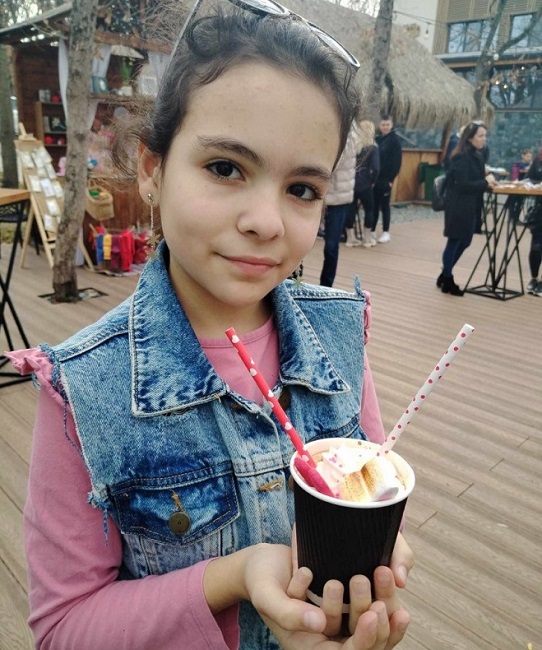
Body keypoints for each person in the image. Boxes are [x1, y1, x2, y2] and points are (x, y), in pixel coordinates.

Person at [9, 3, 414, 650]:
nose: (266, 222)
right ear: (153, 171)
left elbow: (369, 482)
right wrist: (233, 577)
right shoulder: (86, 389)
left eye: (302, 189)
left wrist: (373, 560)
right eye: (226, 168)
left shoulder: (339, 338)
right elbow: (62, 629)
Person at [437, 120, 497, 296]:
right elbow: (462, 184)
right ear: (470, 138)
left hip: (470, 205)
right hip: (458, 204)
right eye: (480, 136)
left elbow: (475, 175)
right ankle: (448, 279)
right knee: (455, 240)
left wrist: (486, 177)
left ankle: (445, 272)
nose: (484, 139)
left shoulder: (476, 154)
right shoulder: (462, 156)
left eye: (485, 135)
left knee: (465, 241)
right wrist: (484, 182)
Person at [320, 125, 358, 285]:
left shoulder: (350, 133)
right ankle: (294, 283)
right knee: (298, 242)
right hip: (317, 195)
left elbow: (334, 160)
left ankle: (326, 287)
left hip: (338, 199)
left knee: (331, 246)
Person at [372, 114, 402, 243]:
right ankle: (372, 230)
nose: (385, 127)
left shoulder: (395, 141)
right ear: (380, 125)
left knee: (385, 206)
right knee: (374, 205)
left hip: (386, 179)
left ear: (391, 125)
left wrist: (391, 179)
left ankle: (386, 232)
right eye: (383, 125)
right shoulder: (377, 139)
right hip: (375, 178)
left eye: (387, 125)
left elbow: (397, 163)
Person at [352, 120, 380, 248]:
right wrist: (372, 181)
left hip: (351, 182)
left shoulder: (354, 146)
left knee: (351, 209)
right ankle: (367, 239)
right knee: (369, 209)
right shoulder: (373, 147)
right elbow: (376, 167)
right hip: (365, 184)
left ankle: (350, 238)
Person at [523, 147, 542, 296]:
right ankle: (534, 278)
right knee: (536, 246)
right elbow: (528, 178)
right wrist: (536, 184)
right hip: (539, 209)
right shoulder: (538, 160)